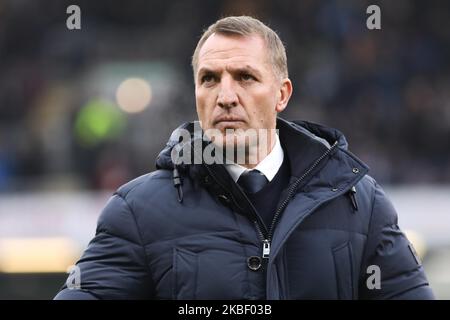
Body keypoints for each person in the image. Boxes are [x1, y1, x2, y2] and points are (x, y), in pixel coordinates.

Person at [55, 16, 434, 300]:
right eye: (209, 79)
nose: (225, 96)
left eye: (245, 77)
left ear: (282, 94)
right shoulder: (136, 211)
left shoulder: (360, 203)